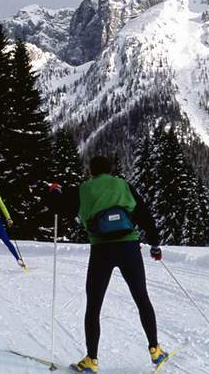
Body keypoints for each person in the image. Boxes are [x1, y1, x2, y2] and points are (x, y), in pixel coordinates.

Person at [49, 156, 167, 373]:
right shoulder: (124, 185)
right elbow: (144, 215)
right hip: (129, 247)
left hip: (101, 250)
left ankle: (92, 360)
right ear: (111, 170)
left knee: (93, 306)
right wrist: (155, 246)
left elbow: (60, 209)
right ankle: (155, 350)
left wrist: (55, 191)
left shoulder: (83, 189)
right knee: (141, 298)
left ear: (91, 171)